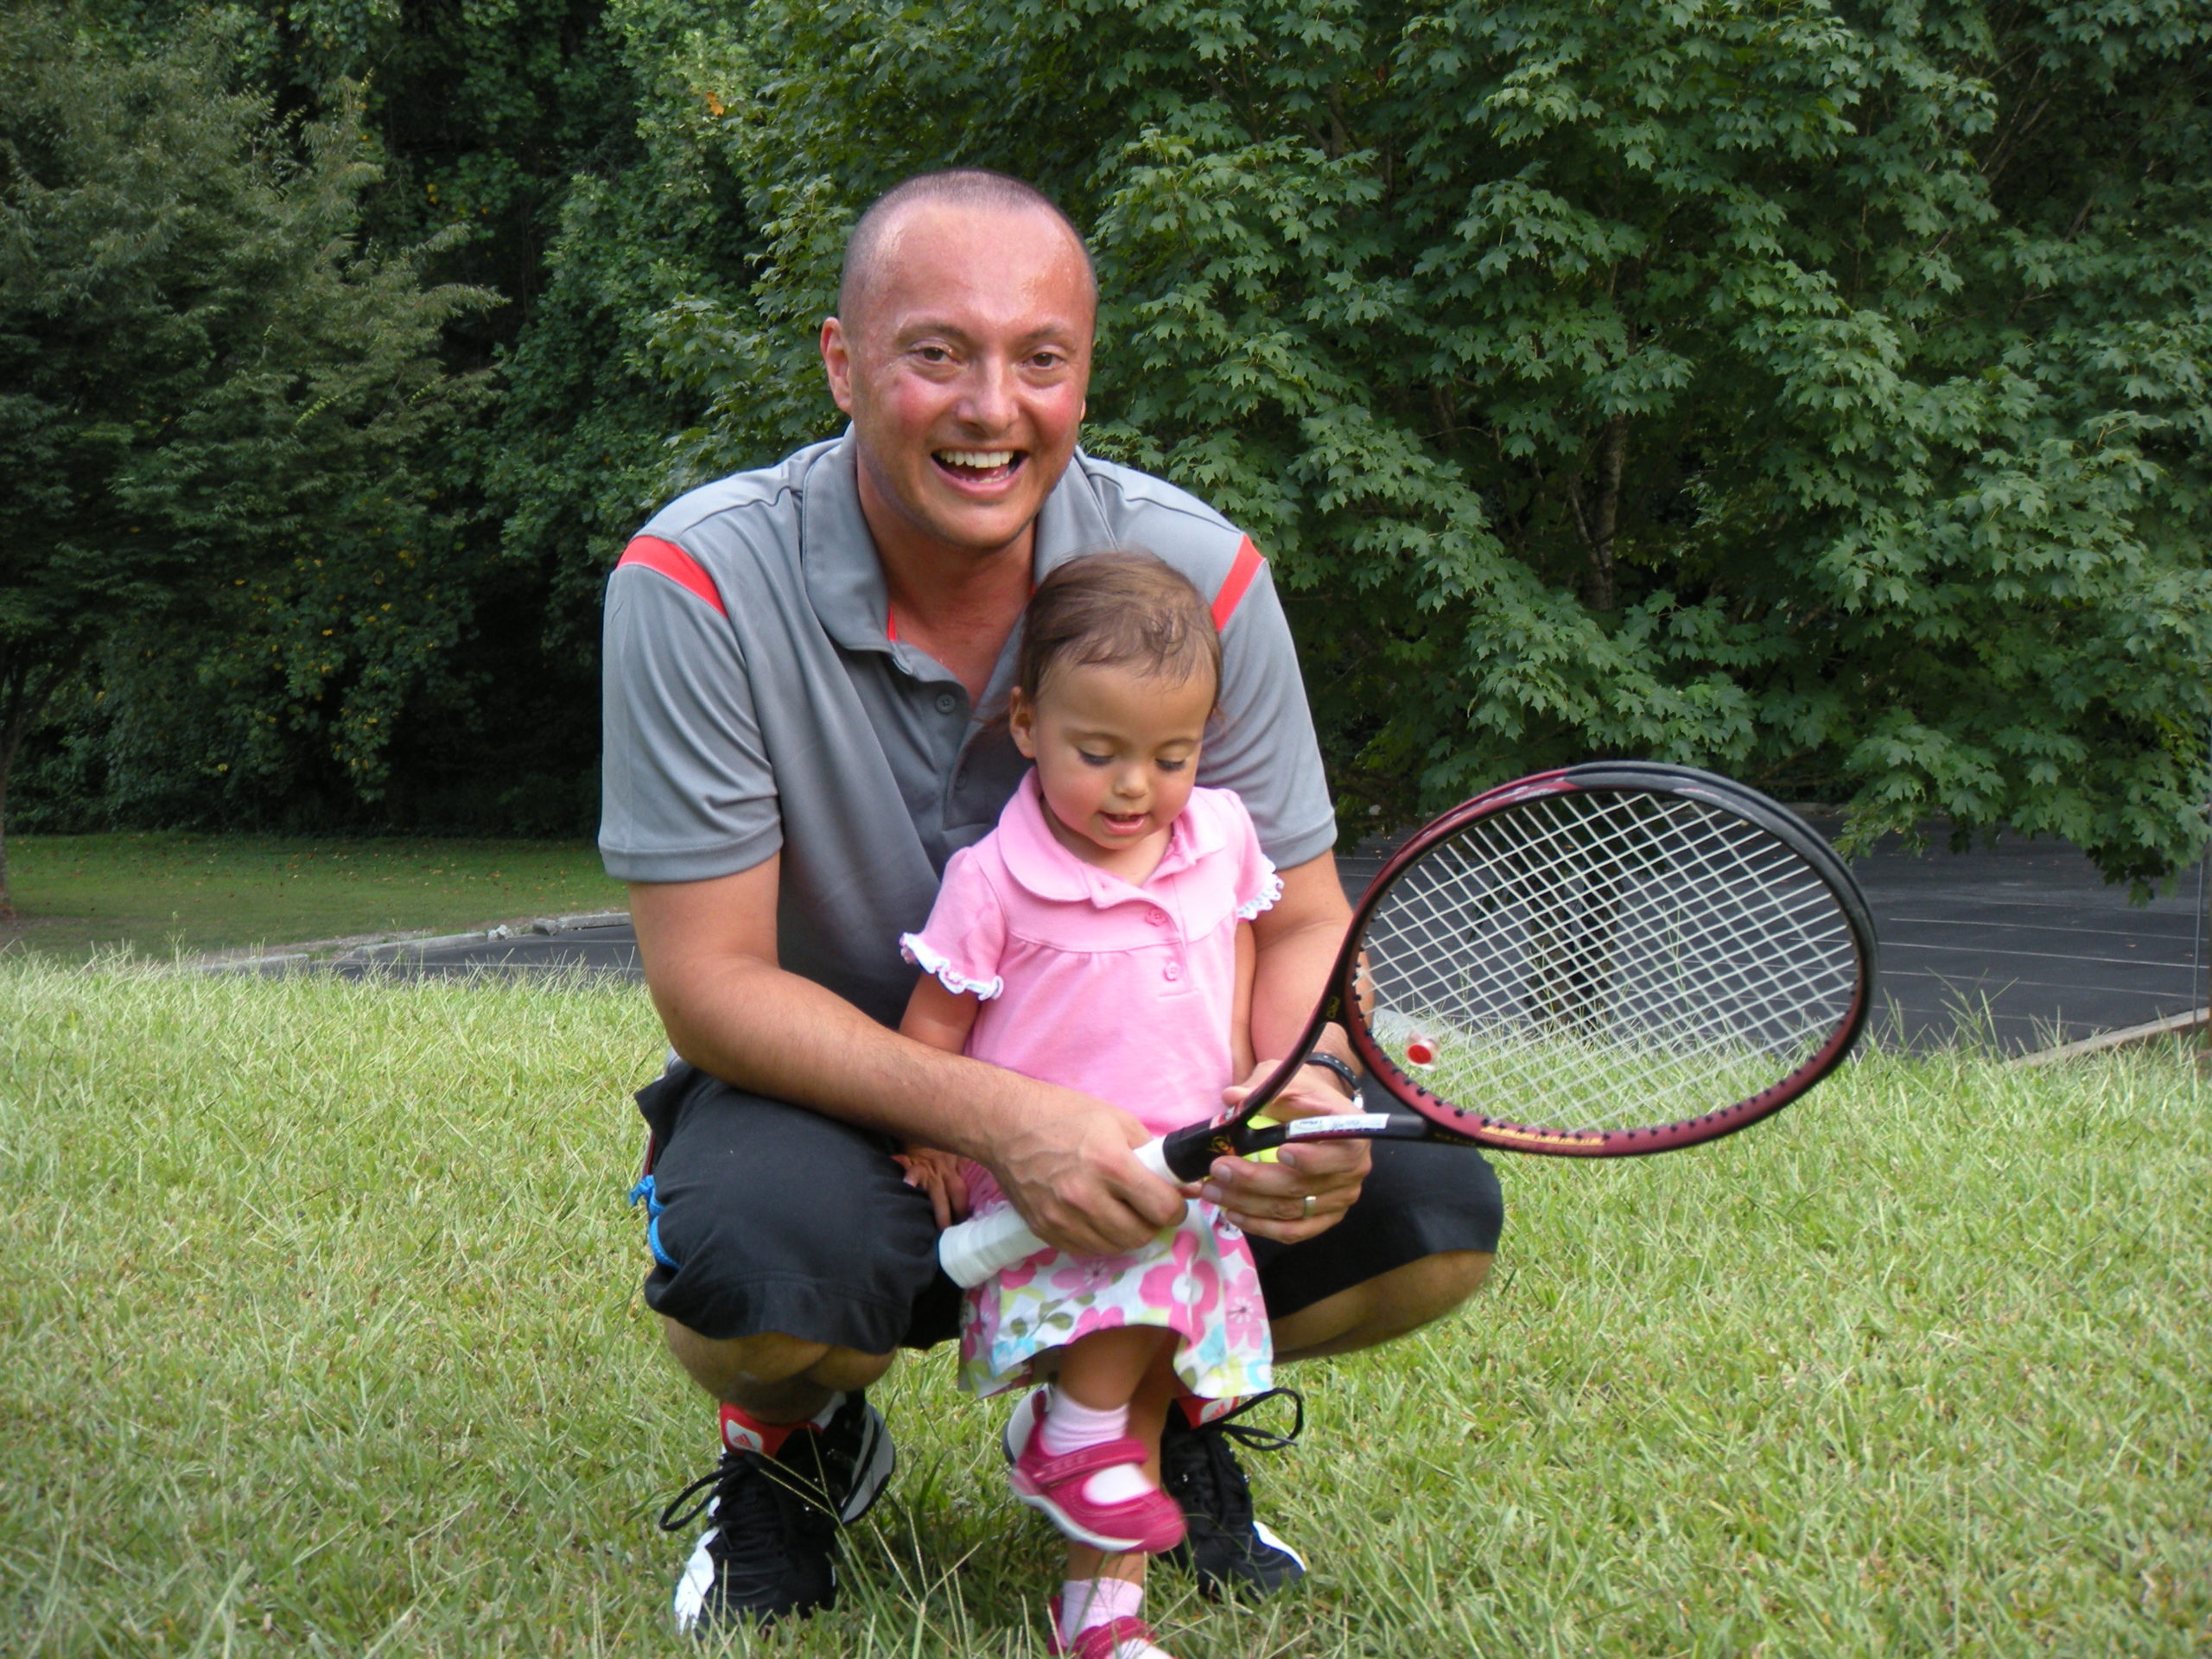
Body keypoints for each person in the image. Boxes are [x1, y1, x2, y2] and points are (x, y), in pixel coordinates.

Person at [600, 167, 1503, 1635]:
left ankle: (1145, 1420)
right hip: (853, 1104)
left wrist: (1307, 1085)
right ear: (844, 362)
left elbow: (1301, 920)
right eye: (935, 352)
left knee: (1434, 1214)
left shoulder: (1198, 574)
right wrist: (1005, 1123)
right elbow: (710, 983)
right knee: (756, 1265)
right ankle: (791, 1443)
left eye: (1041, 359)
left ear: (1086, 373)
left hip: (1165, 1105)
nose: (991, 407)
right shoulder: (697, 579)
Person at [896, 551, 1280, 1659]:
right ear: (1025, 725)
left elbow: (1239, 956)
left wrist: (1250, 1073)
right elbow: (934, 1030)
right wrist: (928, 1135)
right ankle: (1065, 1439)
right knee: (1119, 1363)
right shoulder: (994, 880)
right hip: (1051, 1188)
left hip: (1193, 1168)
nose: (1135, 788)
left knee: (1144, 1390)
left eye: (1173, 754)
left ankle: (1100, 1614)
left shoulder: (1220, 838)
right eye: (1097, 752)